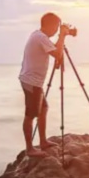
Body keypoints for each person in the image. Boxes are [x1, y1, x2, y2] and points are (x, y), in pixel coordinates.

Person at [18, 12, 75, 155]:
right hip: (32, 81)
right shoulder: (40, 37)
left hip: (33, 81)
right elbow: (57, 53)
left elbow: (55, 50)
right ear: (50, 25)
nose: (56, 31)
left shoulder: (39, 36)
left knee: (43, 109)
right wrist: (62, 36)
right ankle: (29, 149)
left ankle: (43, 141)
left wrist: (62, 37)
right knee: (31, 115)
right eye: (56, 28)